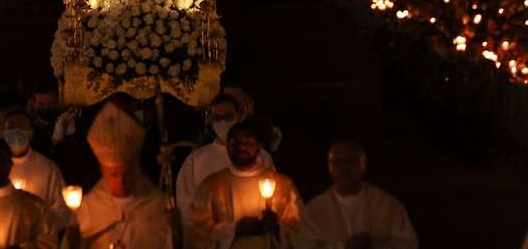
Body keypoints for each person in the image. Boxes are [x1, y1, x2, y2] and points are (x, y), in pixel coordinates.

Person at [63, 94, 173, 248]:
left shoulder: (159, 206)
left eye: (127, 173)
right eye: (113, 174)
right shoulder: (88, 208)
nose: (121, 180)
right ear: (103, 171)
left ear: (136, 170)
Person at [176, 94, 275, 241]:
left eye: (228, 116)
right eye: (218, 117)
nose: (222, 122)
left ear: (239, 117)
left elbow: (274, 195)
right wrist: (227, 231)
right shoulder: (196, 160)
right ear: (210, 120)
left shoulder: (261, 156)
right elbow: (185, 206)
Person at [190, 121, 303, 249]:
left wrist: (276, 228)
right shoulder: (211, 186)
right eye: (235, 143)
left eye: (248, 143)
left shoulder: (282, 185)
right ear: (227, 147)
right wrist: (235, 229)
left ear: (258, 147)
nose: (242, 147)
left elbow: (301, 230)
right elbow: (197, 233)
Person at [297, 140, 418, 249]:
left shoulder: (389, 207)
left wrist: (375, 245)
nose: (345, 168)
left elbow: (408, 243)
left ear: (364, 164)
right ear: (330, 167)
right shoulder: (314, 212)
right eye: (339, 162)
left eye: (352, 161)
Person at [0, 108, 70, 231]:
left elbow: (62, 211)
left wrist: (37, 221)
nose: (16, 131)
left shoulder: (48, 168)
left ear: (31, 132)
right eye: (11, 127)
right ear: (2, 132)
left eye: (21, 127)